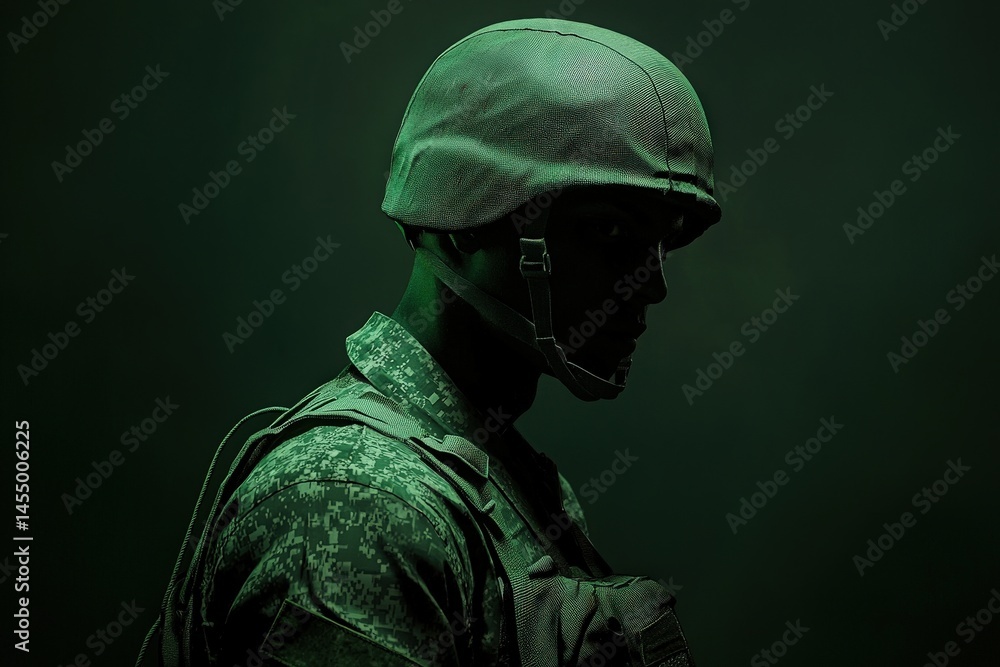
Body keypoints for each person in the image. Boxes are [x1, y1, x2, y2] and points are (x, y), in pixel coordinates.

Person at [137, 16, 722, 666]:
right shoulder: (360, 503)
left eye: (662, 245)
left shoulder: (490, 474)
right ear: (466, 217)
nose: (652, 286)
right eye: (613, 236)